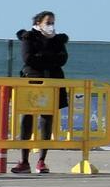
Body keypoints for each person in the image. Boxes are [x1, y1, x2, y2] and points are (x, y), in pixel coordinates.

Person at [12, 10, 68, 174]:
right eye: (47, 22)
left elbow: (62, 59)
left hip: (53, 81)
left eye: (52, 22)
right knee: (27, 118)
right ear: (38, 23)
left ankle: (42, 160)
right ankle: (24, 160)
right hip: (32, 81)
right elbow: (28, 58)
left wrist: (44, 57)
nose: (50, 25)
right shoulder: (29, 37)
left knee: (47, 119)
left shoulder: (58, 39)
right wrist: (50, 58)